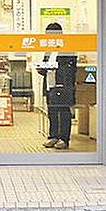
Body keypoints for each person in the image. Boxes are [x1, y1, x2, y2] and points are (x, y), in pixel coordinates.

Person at [36, 22, 77, 150]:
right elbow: (45, 65)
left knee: (63, 112)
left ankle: (64, 139)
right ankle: (53, 136)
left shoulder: (67, 48)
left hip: (63, 86)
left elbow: (70, 68)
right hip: (50, 85)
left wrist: (54, 67)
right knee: (52, 111)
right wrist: (41, 68)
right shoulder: (48, 51)